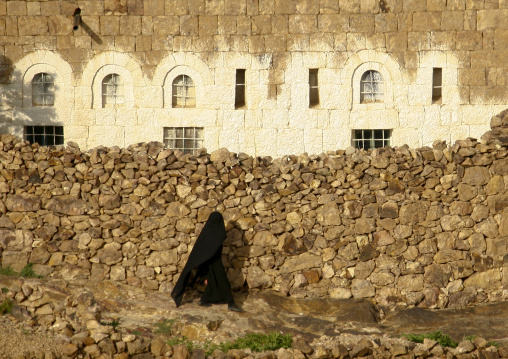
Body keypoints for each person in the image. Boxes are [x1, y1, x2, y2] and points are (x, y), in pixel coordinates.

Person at [171, 211, 244, 312]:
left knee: (212, 282)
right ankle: (231, 303)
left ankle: (204, 300)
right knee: (223, 282)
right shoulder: (217, 233)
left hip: (208, 263)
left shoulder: (207, 232)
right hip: (213, 263)